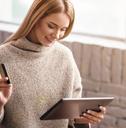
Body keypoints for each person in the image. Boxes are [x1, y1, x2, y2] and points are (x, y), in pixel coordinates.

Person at [0, 0, 106, 128]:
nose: (57, 35)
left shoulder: (65, 56)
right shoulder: (3, 56)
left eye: (63, 29)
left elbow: (74, 119)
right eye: (51, 26)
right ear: (35, 19)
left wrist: (84, 119)